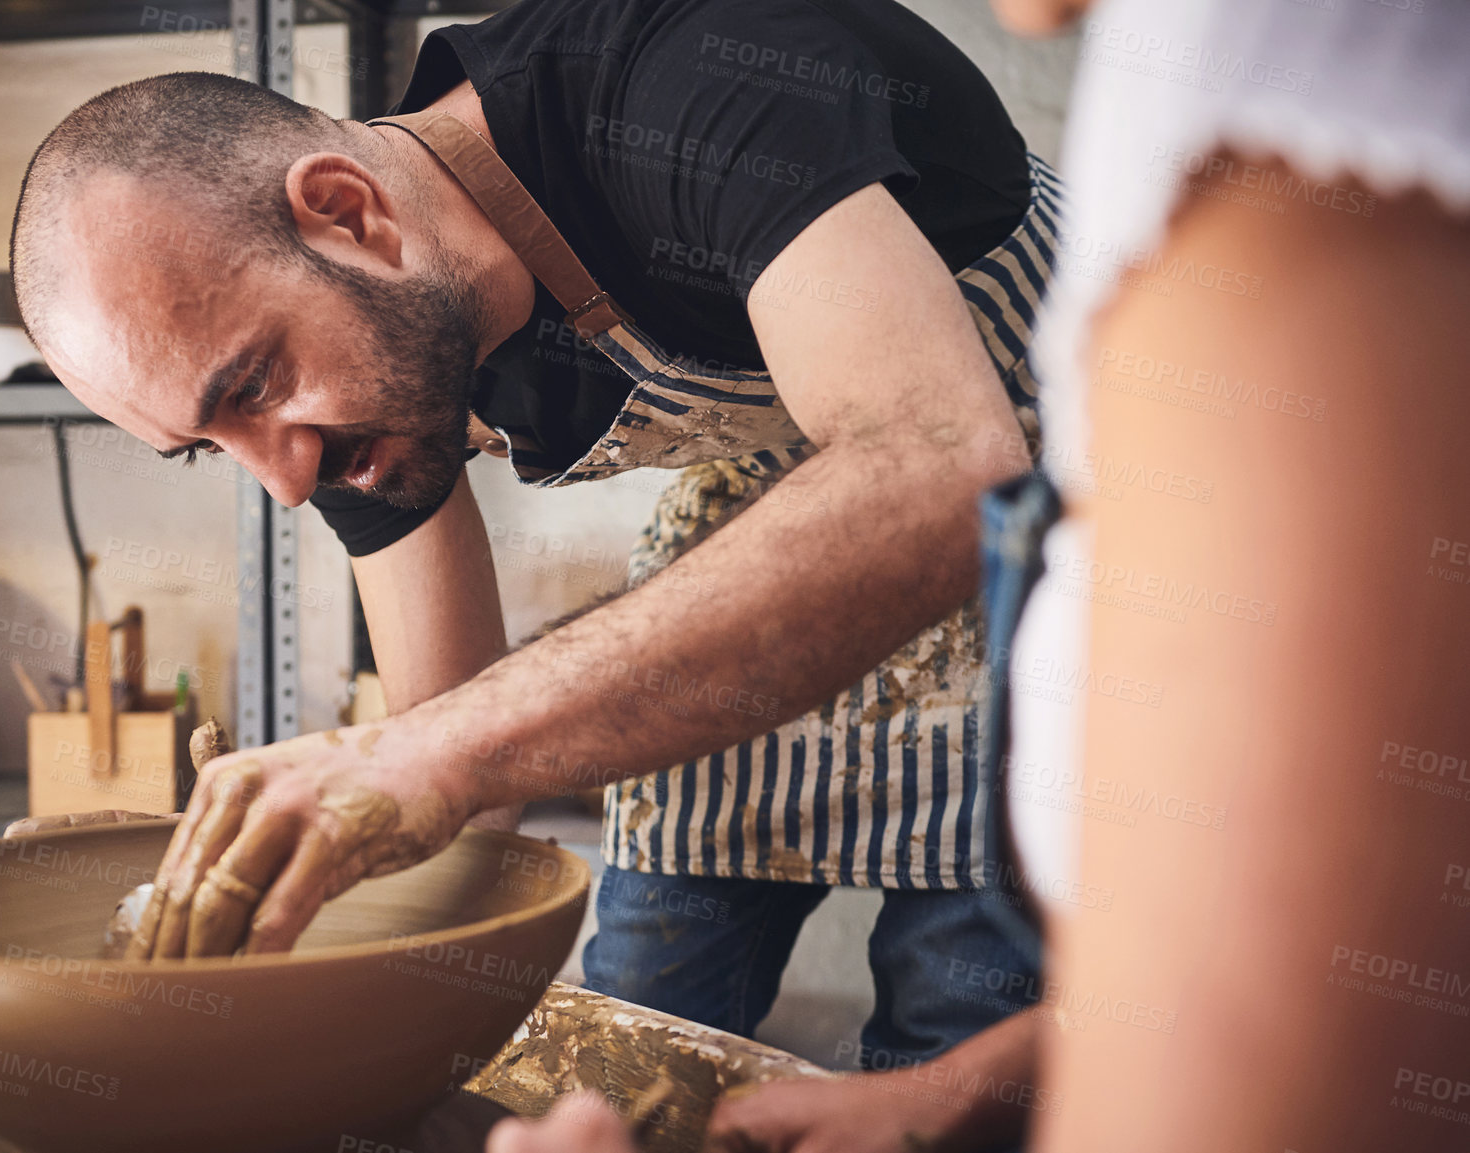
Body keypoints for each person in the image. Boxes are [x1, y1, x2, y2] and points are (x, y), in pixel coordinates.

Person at [10, 0, 1063, 1092]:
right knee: (625, 1040)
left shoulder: (696, 79)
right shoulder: (354, 389)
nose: (280, 478)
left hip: (1061, 516)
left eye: (251, 386)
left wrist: (435, 752)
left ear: (347, 211)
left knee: (950, 1045)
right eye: (205, 444)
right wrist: (218, 912)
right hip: (780, 511)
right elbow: (452, 786)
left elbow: (939, 469)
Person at [491, 0, 1470, 1149]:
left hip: (941, 594)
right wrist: (934, 1101)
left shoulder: (1305, 111)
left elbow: (1300, 1046)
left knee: (948, 982)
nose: (287, 468)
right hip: (763, 618)